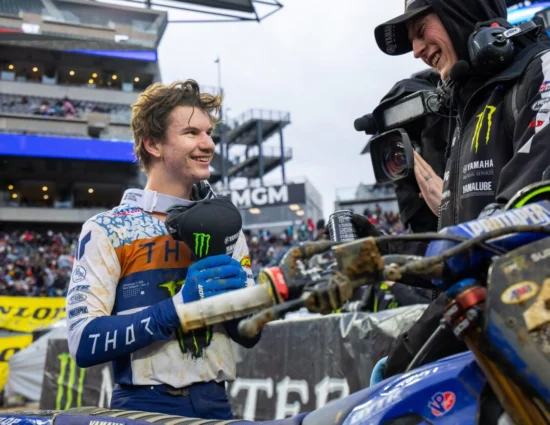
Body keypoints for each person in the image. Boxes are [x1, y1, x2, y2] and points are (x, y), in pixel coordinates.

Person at [372, 0, 550, 378]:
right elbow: (458, 252)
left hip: (533, 353)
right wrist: (380, 252)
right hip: (495, 354)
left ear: (462, 10)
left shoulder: (541, 70)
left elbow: (510, 234)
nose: (416, 50)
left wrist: (408, 358)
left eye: (421, 30)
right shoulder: (468, 106)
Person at [66, 80, 260, 419]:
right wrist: (176, 309)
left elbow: (249, 335)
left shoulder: (225, 223)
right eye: (192, 133)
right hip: (144, 406)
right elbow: (82, 342)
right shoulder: (107, 228)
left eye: (208, 133)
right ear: (153, 144)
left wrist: (245, 304)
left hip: (216, 403)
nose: (208, 144)